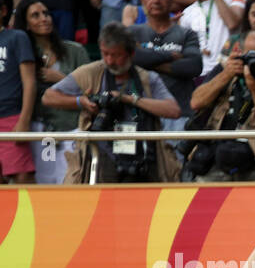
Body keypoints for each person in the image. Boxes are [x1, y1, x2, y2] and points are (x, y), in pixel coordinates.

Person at [45, 21, 182, 183]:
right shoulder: (92, 72)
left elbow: (173, 111)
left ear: (131, 54)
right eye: (105, 54)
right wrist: (80, 101)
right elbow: (48, 97)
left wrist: (131, 100)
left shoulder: (146, 78)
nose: (109, 61)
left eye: (116, 55)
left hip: (144, 155)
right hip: (102, 156)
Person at [186, 30, 255, 180]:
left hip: (254, 161)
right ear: (240, 53)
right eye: (251, 56)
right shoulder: (226, 71)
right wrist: (227, 74)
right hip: (213, 159)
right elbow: (195, 102)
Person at [13, 0, 89, 185]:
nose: (43, 18)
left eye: (45, 13)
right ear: (27, 24)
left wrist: (61, 79)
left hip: (72, 127)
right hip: (44, 131)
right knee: (47, 182)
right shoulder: (25, 55)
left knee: (71, 179)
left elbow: (92, 89)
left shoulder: (75, 51)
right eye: (35, 15)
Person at [129, 0, 203, 132]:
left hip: (180, 115)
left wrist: (148, 61)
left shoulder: (187, 34)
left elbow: (193, 67)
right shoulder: (131, 32)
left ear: (171, 0)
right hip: (139, 114)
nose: (156, 0)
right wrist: (170, 55)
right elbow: (130, 59)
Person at [0, 9, 36, 185]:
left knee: (23, 178)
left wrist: (24, 120)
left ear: (3, 11)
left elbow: (29, 81)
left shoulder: (16, 37)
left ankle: (34, 214)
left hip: (11, 117)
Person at [180, 0, 245, 78]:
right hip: (201, 76)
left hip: (230, 71)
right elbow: (183, 50)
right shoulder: (186, 13)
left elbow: (232, 23)